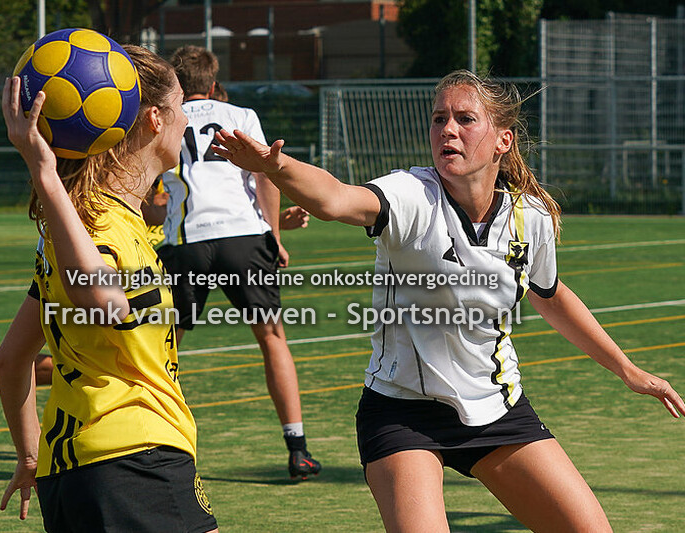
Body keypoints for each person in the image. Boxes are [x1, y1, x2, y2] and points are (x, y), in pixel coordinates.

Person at [212, 69, 685, 531]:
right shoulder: (413, 195)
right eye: (439, 119)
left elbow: (552, 295)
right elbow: (336, 199)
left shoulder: (530, 217)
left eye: (465, 119)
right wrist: (276, 167)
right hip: (403, 412)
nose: (448, 130)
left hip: (497, 410)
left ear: (503, 140)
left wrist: (630, 370)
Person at [0, 44, 218, 533]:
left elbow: (12, 360)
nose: (187, 120)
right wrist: (45, 174)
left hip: (74, 470)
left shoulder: (79, 225)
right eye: (181, 106)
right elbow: (104, 302)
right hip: (135, 462)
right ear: (156, 119)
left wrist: (32, 455)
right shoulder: (99, 227)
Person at [0, 203, 307, 432]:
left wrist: (265, 222)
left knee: (131, 358)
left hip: (151, 256)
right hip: (128, 259)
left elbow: (188, 210)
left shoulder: (171, 146)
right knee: (113, 359)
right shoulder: (143, 148)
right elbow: (160, 209)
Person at [157, 45, 321, 480]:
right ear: (213, 83)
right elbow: (264, 174)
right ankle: (298, 448)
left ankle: (154, 445)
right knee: (272, 337)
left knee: (160, 345)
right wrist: (274, 234)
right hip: (243, 237)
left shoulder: (161, 118)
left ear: (176, 81)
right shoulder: (241, 115)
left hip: (187, 239)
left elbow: (155, 197)